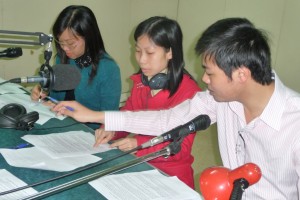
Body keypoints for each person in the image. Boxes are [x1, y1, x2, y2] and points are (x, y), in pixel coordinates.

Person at [53, 17, 300, 199]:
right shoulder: (220, 100)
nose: (204, 79)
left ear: (241, 75)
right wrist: (95, 116)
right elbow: (167, 120)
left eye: (210, 73)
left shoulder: (295, 123)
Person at [94, 16, 201, 189]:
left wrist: (139, 144)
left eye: (150, 53)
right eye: (138, 51)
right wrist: (112, 128)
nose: (141, 59)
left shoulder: (189, 93)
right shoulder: (141, 82)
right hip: (139, 166)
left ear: (170, 52)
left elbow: (180, 147)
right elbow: (129, 113)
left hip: (171, 176)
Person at [31, 5, 121, 129]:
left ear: (89, 37)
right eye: (61, 43)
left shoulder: (108, 69)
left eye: (71, 43)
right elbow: (54, 98)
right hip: (59, 122)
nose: (65, 48)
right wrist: (43, 92)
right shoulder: (62, 57)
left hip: (88, 132)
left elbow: (111, 119)